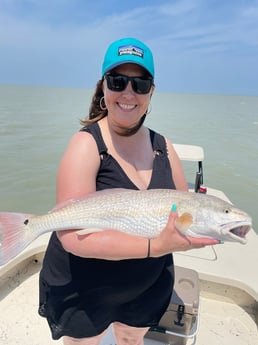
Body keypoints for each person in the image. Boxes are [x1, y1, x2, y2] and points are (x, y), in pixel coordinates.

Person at [38, 37, 218, 345]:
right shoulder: (87, 145)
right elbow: (72, 238)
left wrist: (210, 224)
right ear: (104, 88)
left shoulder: (164, 147)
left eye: (140, 84)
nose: (128, 93)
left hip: (146, 287)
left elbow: (181, 208)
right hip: (86, 289)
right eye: (118, 81)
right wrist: (154, 246)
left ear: (152, 92)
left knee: (132, 339)